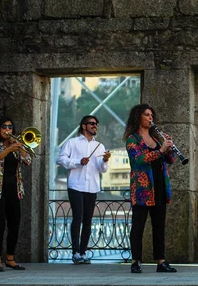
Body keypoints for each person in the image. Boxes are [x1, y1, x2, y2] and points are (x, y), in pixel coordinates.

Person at [124, 104, 177, 274]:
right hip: (142, 188)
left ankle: (161, 261)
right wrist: (160, 150)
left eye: (151, 115)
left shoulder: (157, 138)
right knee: (138, 226)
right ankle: (135, 261)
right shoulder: (132, 139)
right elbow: (139, 159)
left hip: (160, 185)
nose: (150, 117)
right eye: (147, 115)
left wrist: (168, 149)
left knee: (159, 225)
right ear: (138, 116)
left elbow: (170, 160)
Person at [57, 115, 111, 265]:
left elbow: (101, 169)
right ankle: (75, 252)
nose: (95, 126)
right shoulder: (72, 143)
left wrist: (105, 160)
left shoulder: (99, 146)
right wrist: (78, 162)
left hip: (92, 187)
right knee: (77, 218)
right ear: (84, 126)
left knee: (87, 221)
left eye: (96, 124)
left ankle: (83, 251)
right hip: (76, 185)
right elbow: (61, 159)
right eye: (92, 124)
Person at [0, 116, 32, 272]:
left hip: (14, 191)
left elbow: (28, 161)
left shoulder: (16, 145)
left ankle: (10, 258)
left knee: (15, 225)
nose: (8, 130)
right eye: (4, 127)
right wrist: (7, 150)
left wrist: (20, 148)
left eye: (10, 127)